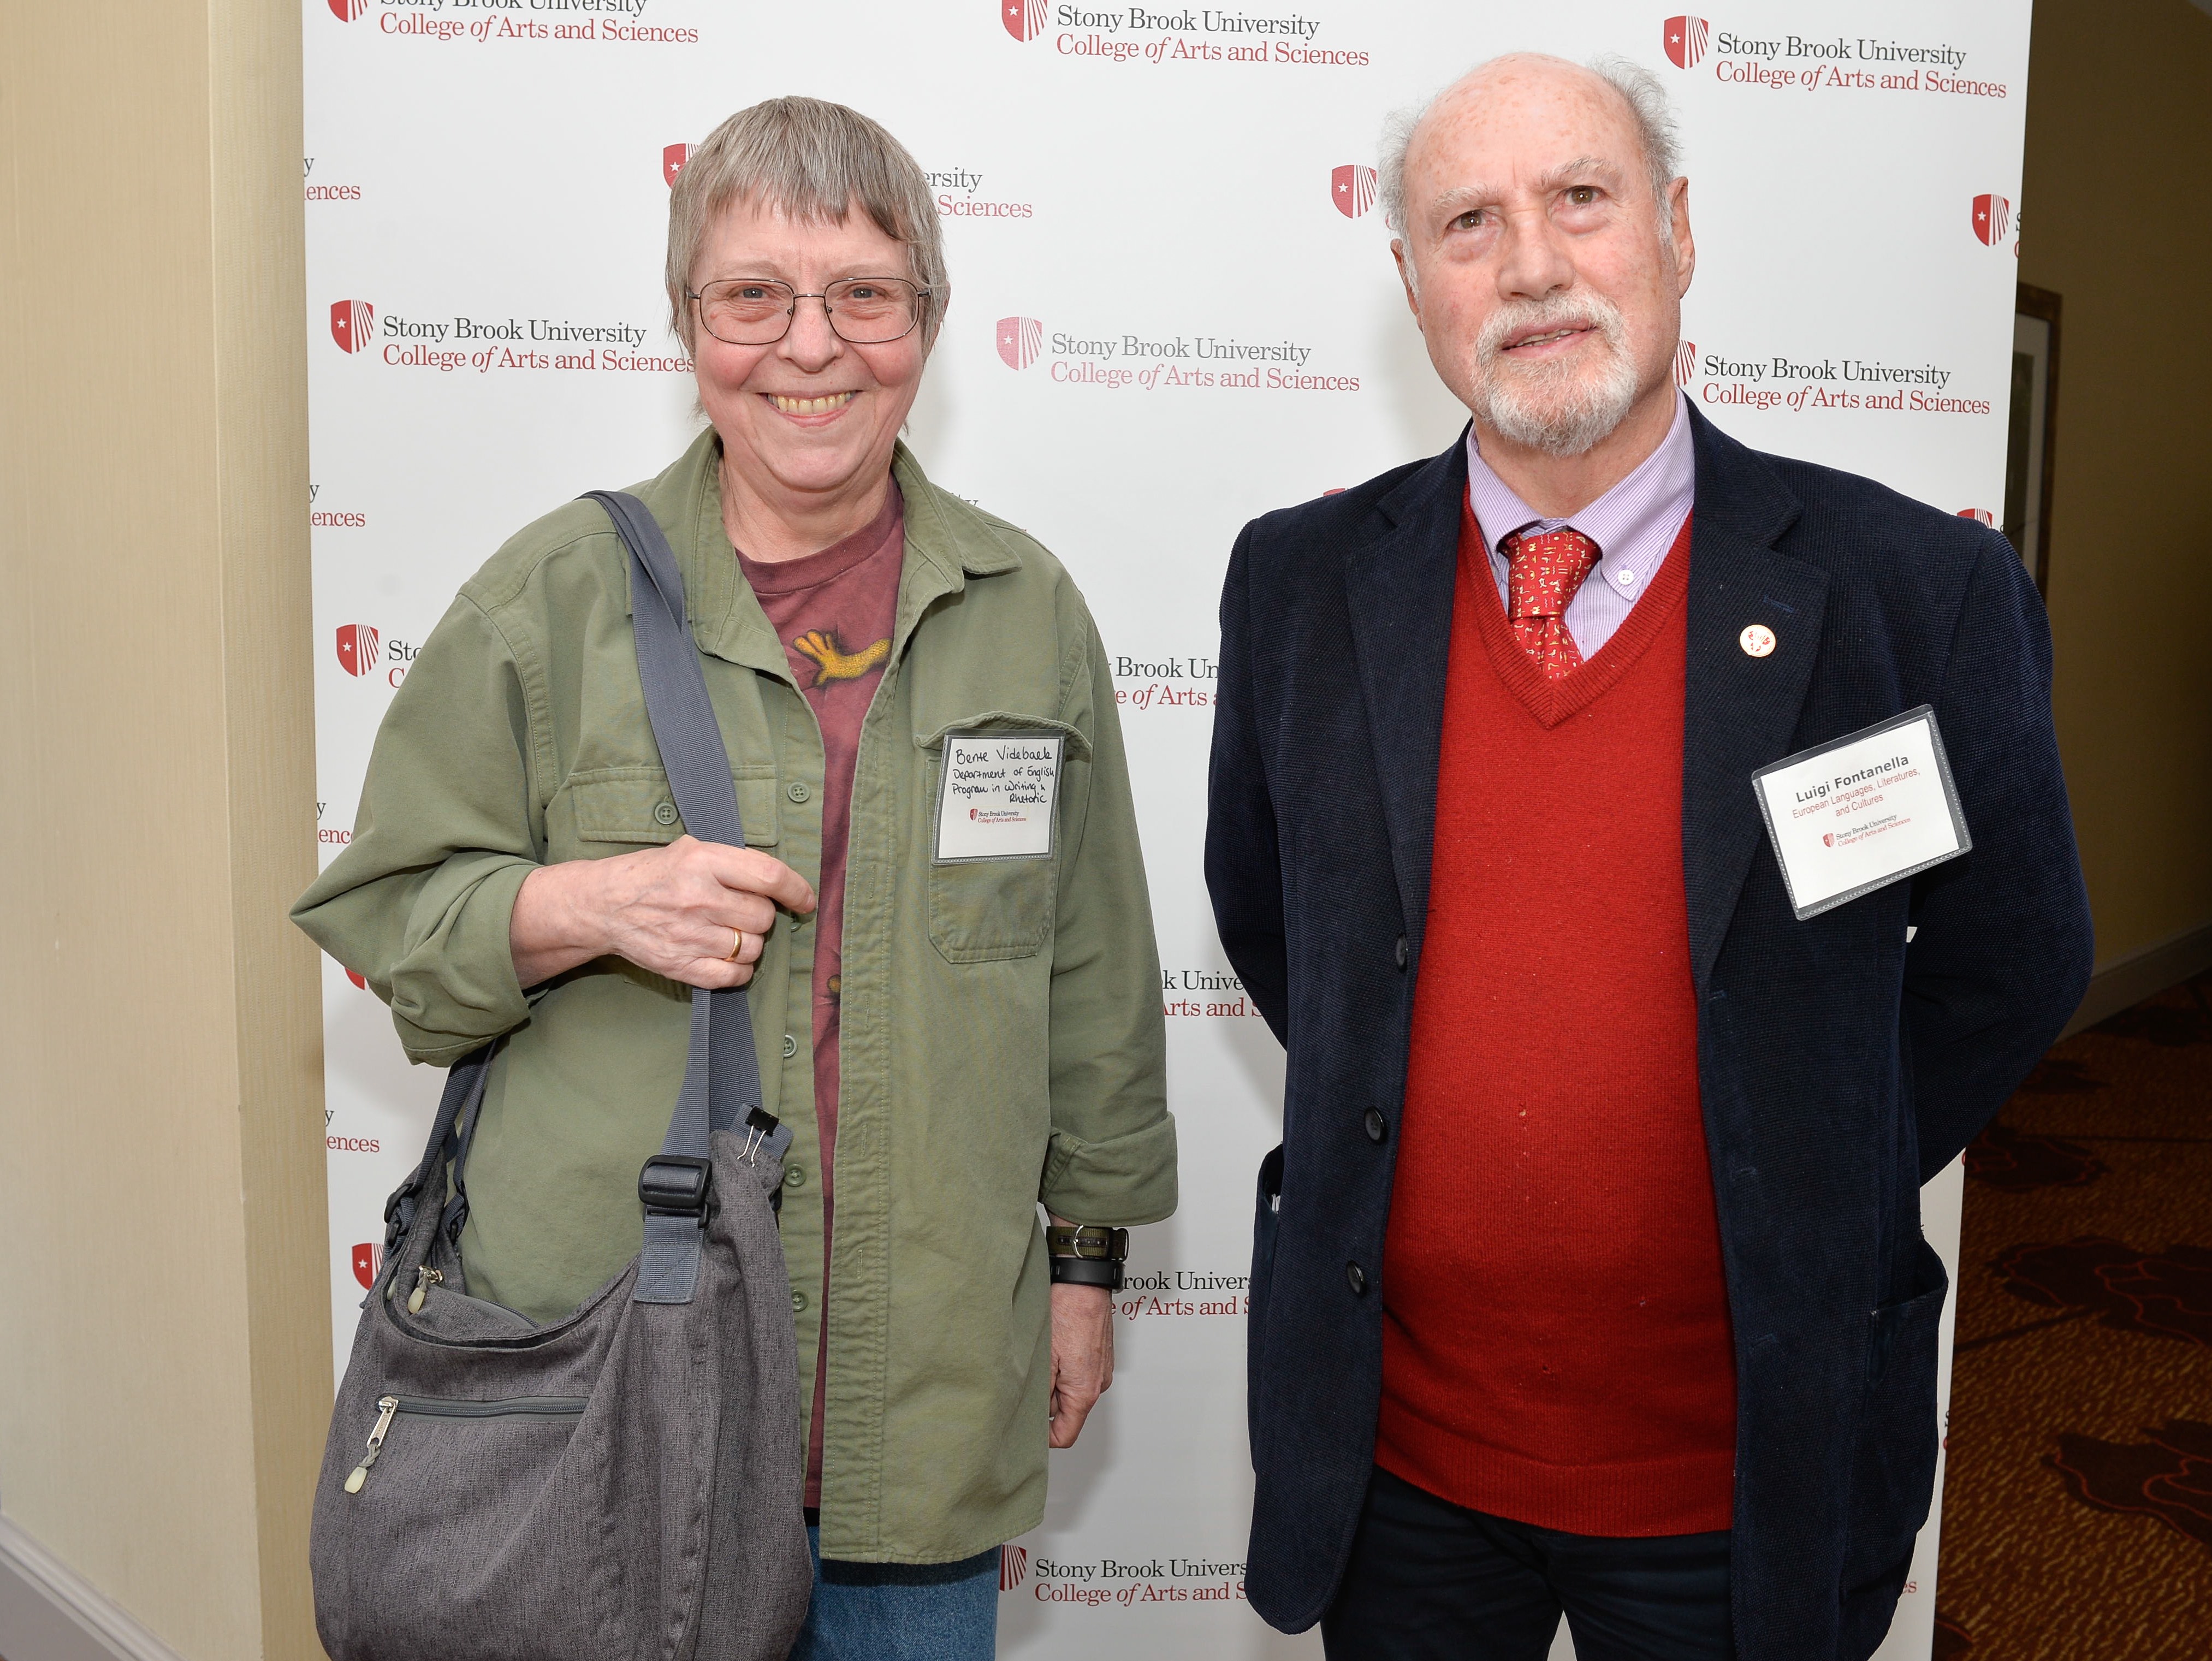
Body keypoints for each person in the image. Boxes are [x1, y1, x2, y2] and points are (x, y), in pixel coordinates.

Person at [1206, 54, 2090, 1661]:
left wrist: (1799, 1153)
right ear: (1411, 285)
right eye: (1468, 222)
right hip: (1402, 1462)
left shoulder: (1907, 589)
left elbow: (2010, 962)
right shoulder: (1297, 584)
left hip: (1743, 1462)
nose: (1530, 265)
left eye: (1579, 200)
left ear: (1675, 231)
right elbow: (1277, 925)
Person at [295, 96, 1175, 1661]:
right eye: (753, 296)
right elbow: (390, 916)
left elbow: (1092, 976)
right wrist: (582, 907)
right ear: (687, 323)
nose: (811, 347)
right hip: (611, 1393)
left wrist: (1084, 1269)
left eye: (864, 297)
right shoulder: (553, 595)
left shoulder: (1025, 609)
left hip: (915, 1394)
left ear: (929, 324)